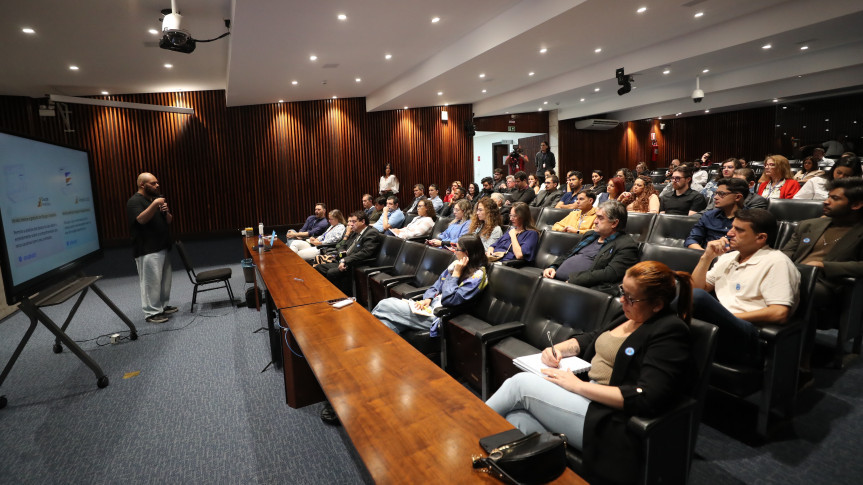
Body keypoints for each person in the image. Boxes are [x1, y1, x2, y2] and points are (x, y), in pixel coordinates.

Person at [487, 260, 693, 485]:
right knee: (516, 419)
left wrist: (577, 386)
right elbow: (593, 338)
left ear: (657, 305)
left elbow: (647, 396)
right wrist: (559, 349)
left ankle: (466, 431)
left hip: (609, 419)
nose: (622, 300)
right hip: (587, 398)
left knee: (520, 385)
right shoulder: (628, 314)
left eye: (631, 298)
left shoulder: (670, 330)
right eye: (622, 292)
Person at [691, 209, 800, 366]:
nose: (729, 233)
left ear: (761, 238)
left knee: (697, 298)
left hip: (748, 332)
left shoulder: (777, 262)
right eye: (732, 227)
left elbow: (779, 312)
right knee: (678, 294)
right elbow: (695, 288)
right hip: (719, 324)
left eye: (739, 230)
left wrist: (729, 316)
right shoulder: (728, 258)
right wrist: (706, 257)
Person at [782, 177, 863, 380]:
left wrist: (824, 266)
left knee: (801, 290)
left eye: (835, 198)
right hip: (793, 275)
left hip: (830, 285)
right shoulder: (809, 225)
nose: (826, 201)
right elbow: (785, 254)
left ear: (856, 205)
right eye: (828, 196)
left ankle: (803, 361)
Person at [372, 234, 489, 335]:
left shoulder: (477, 276)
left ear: (466, 253)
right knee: (385, 324)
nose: (454, 251)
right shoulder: (456, 265)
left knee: (384, 304)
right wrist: (428, 298)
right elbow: (436, 285)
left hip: (440, 315)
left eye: (457, 249)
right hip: (429, 307)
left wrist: (456, 274)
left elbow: (449, 299)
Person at [543, 201, 639, 295]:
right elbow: (569, 254)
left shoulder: (626, 246)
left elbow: (610, 274)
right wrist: (553, 267)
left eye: (600, 218)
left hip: (579, 290)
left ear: (614, 223)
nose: (595, 221)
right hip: (554, 280)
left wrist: (575, 280)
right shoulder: (590, 235)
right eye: (596, 217)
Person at [127, 172, 176, 323]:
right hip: (147, 249)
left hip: (162, 245)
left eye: (157, 182)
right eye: (153, 183)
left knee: (164, 280)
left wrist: (165, 211)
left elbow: (169, 221)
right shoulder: (134, 201)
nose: (157, 185)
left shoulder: (153, 199)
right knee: (151, 283)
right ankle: (152, 313)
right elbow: (141, 220)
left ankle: (162, 306)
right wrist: (155, 205)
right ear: (142, 185)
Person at [315, 211, 383, 296]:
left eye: (353, 222)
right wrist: (342, 253)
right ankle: (324, 294)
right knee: (319, 268)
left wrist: (345, 260)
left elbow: (365, 252)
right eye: (349, 221)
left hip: (356, 263)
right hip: (345, 260)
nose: (350, 224)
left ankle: (339, 296)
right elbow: (342, 245)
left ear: (363, 221)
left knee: (331, 272)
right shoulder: (355, 232)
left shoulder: (371, 233)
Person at [685, 178, 748, 250]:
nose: (715, 197)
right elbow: (691, 240)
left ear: (737, 197)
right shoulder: (708, 216)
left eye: (721, 194)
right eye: (716, 193)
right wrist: (707, 254)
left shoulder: (751, 220)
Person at [794, 155, 862, 200]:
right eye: (839, 173)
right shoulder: (816, 181)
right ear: (833, 170)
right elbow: (797, 202)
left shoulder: (858, 189)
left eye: (847, 175)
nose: (841, 177)